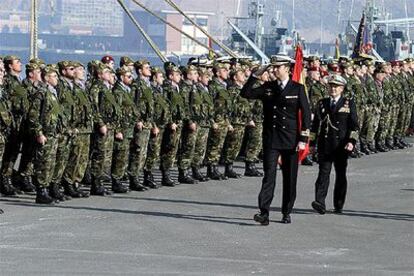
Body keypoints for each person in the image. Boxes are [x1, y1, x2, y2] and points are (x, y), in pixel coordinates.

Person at [241, 56, 311, 225]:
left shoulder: (298, 88)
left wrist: (303, 138)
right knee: (269, 176)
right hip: (272, 139)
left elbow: (307, 114)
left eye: (278, 67)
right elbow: (246, 93)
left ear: (287, 68)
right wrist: (255, 76)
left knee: (289, 178)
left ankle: (286, 211)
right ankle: (264, 212)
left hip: (291, 140)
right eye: (273, 67)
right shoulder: (268, 87)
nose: (274, 70)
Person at [310, 75, 359, 214]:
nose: (333, 89)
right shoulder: (322, 103)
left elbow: (354, 126)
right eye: (331, 86)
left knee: (340, 175)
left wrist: (351, 141)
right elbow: (315, 126)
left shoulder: (348, 103)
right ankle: (320, 202)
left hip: (341, 145)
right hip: (325, 144)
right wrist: (312, 143)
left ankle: (338, 204)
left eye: (336, 86)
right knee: (323, 174)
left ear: (342, 88)